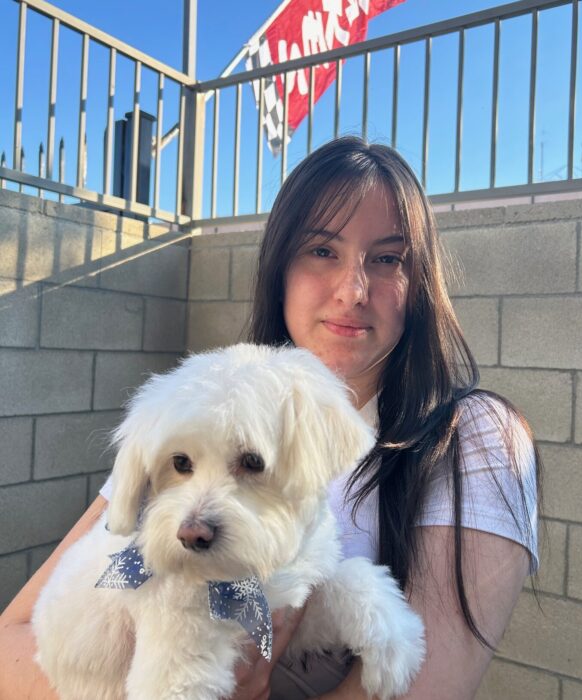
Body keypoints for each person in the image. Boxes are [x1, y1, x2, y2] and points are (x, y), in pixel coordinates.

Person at [0, 136, 540, 700]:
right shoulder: (188, 416)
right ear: (280, 267)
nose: (353, 290)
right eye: (322, 250)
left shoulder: (472, 438)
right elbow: (11, 642)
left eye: (387, 259)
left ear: (421, 281)